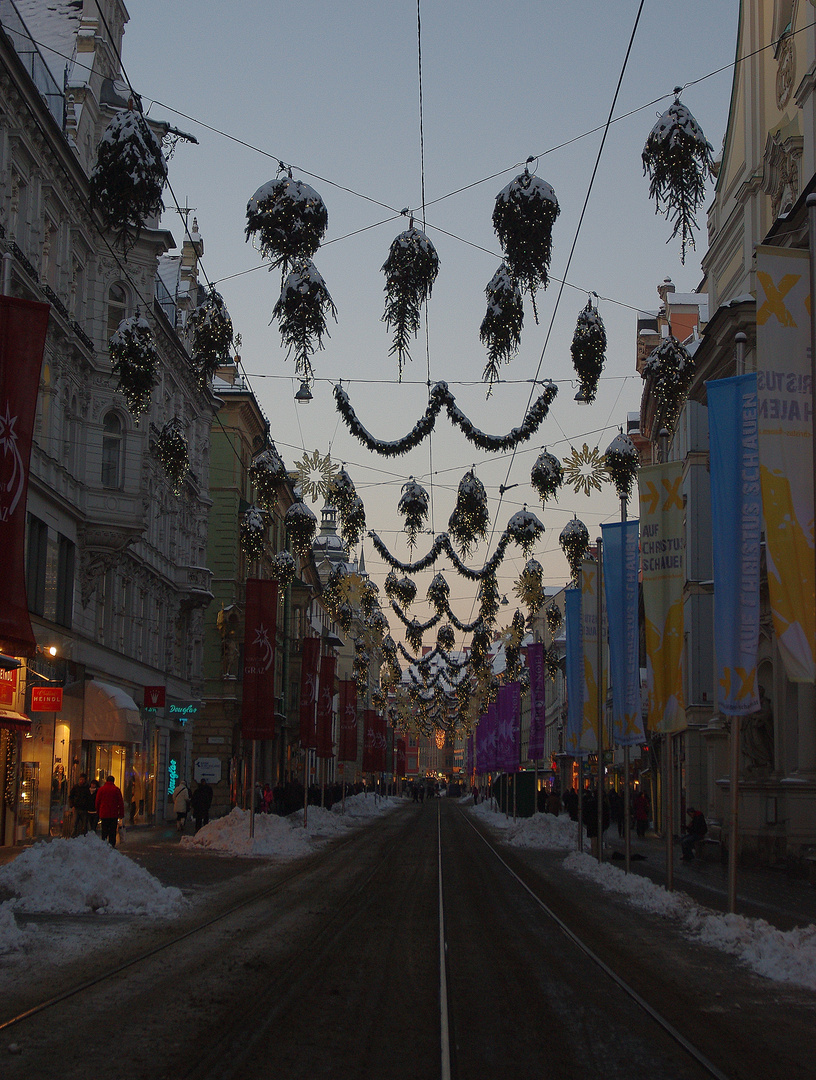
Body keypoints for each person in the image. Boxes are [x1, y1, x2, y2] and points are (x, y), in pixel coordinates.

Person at [95, 774, 125, 847]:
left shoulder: (101, 789)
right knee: (112, 831)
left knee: (104, 830)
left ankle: (104, 844)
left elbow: (97, 801)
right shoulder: (116, 790)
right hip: (113, 814)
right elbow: (120, 803)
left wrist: (98, 812)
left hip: (104, 813)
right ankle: (112, 845)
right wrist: (121, 814)